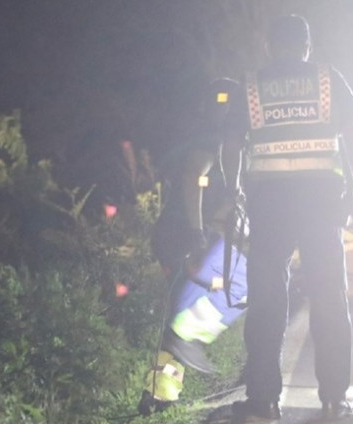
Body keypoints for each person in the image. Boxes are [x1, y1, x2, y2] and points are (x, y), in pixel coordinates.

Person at [220, 15, 353, 422]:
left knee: (268, 299)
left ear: (270, 46)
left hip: (269, 206)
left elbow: (230, 146)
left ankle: (264, 399)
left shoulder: (251, 84)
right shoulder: (328, 78)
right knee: (329, 298)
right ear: (307, 46)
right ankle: (333, 399)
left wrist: (232, 191)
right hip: (321, 204)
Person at [139, 78, 249, 415]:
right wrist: (197, 232)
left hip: (180, 235)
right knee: (189, 314)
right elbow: (194, 178)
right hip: (184, 236)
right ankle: (159, 393)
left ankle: (160, 395)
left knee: (183, 311)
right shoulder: (213, 138)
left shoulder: (212, 134)